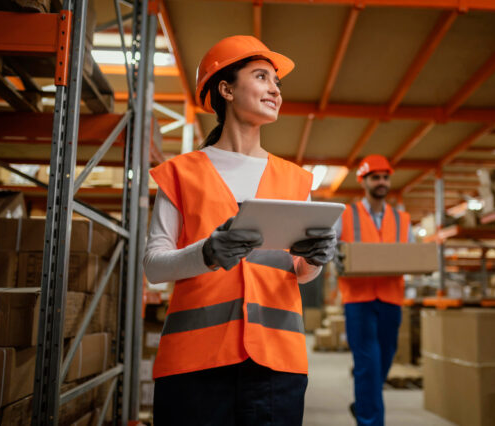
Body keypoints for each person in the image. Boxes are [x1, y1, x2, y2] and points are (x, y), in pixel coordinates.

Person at [143, 35, 337, 425]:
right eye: (262, 77)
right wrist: (207, 253)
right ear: (226, 89)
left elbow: (299, 272)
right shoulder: (181, 173)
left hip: (276, 363)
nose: (274, 90)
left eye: (277, 83)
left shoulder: (298, 180)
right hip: (195, 365)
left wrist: (316, 261)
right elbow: (153, 265)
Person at [334, 154, 413, 426]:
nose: (381, 182)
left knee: (384, 361)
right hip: (359, 300)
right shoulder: (345, 214)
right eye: (375, 177)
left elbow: (413, 255)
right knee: (368, 363)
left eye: (385, 177)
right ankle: (370, 420)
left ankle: (363, 404)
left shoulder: (403, 219)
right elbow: (333, 251)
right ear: (363, 181)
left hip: (392, 298)